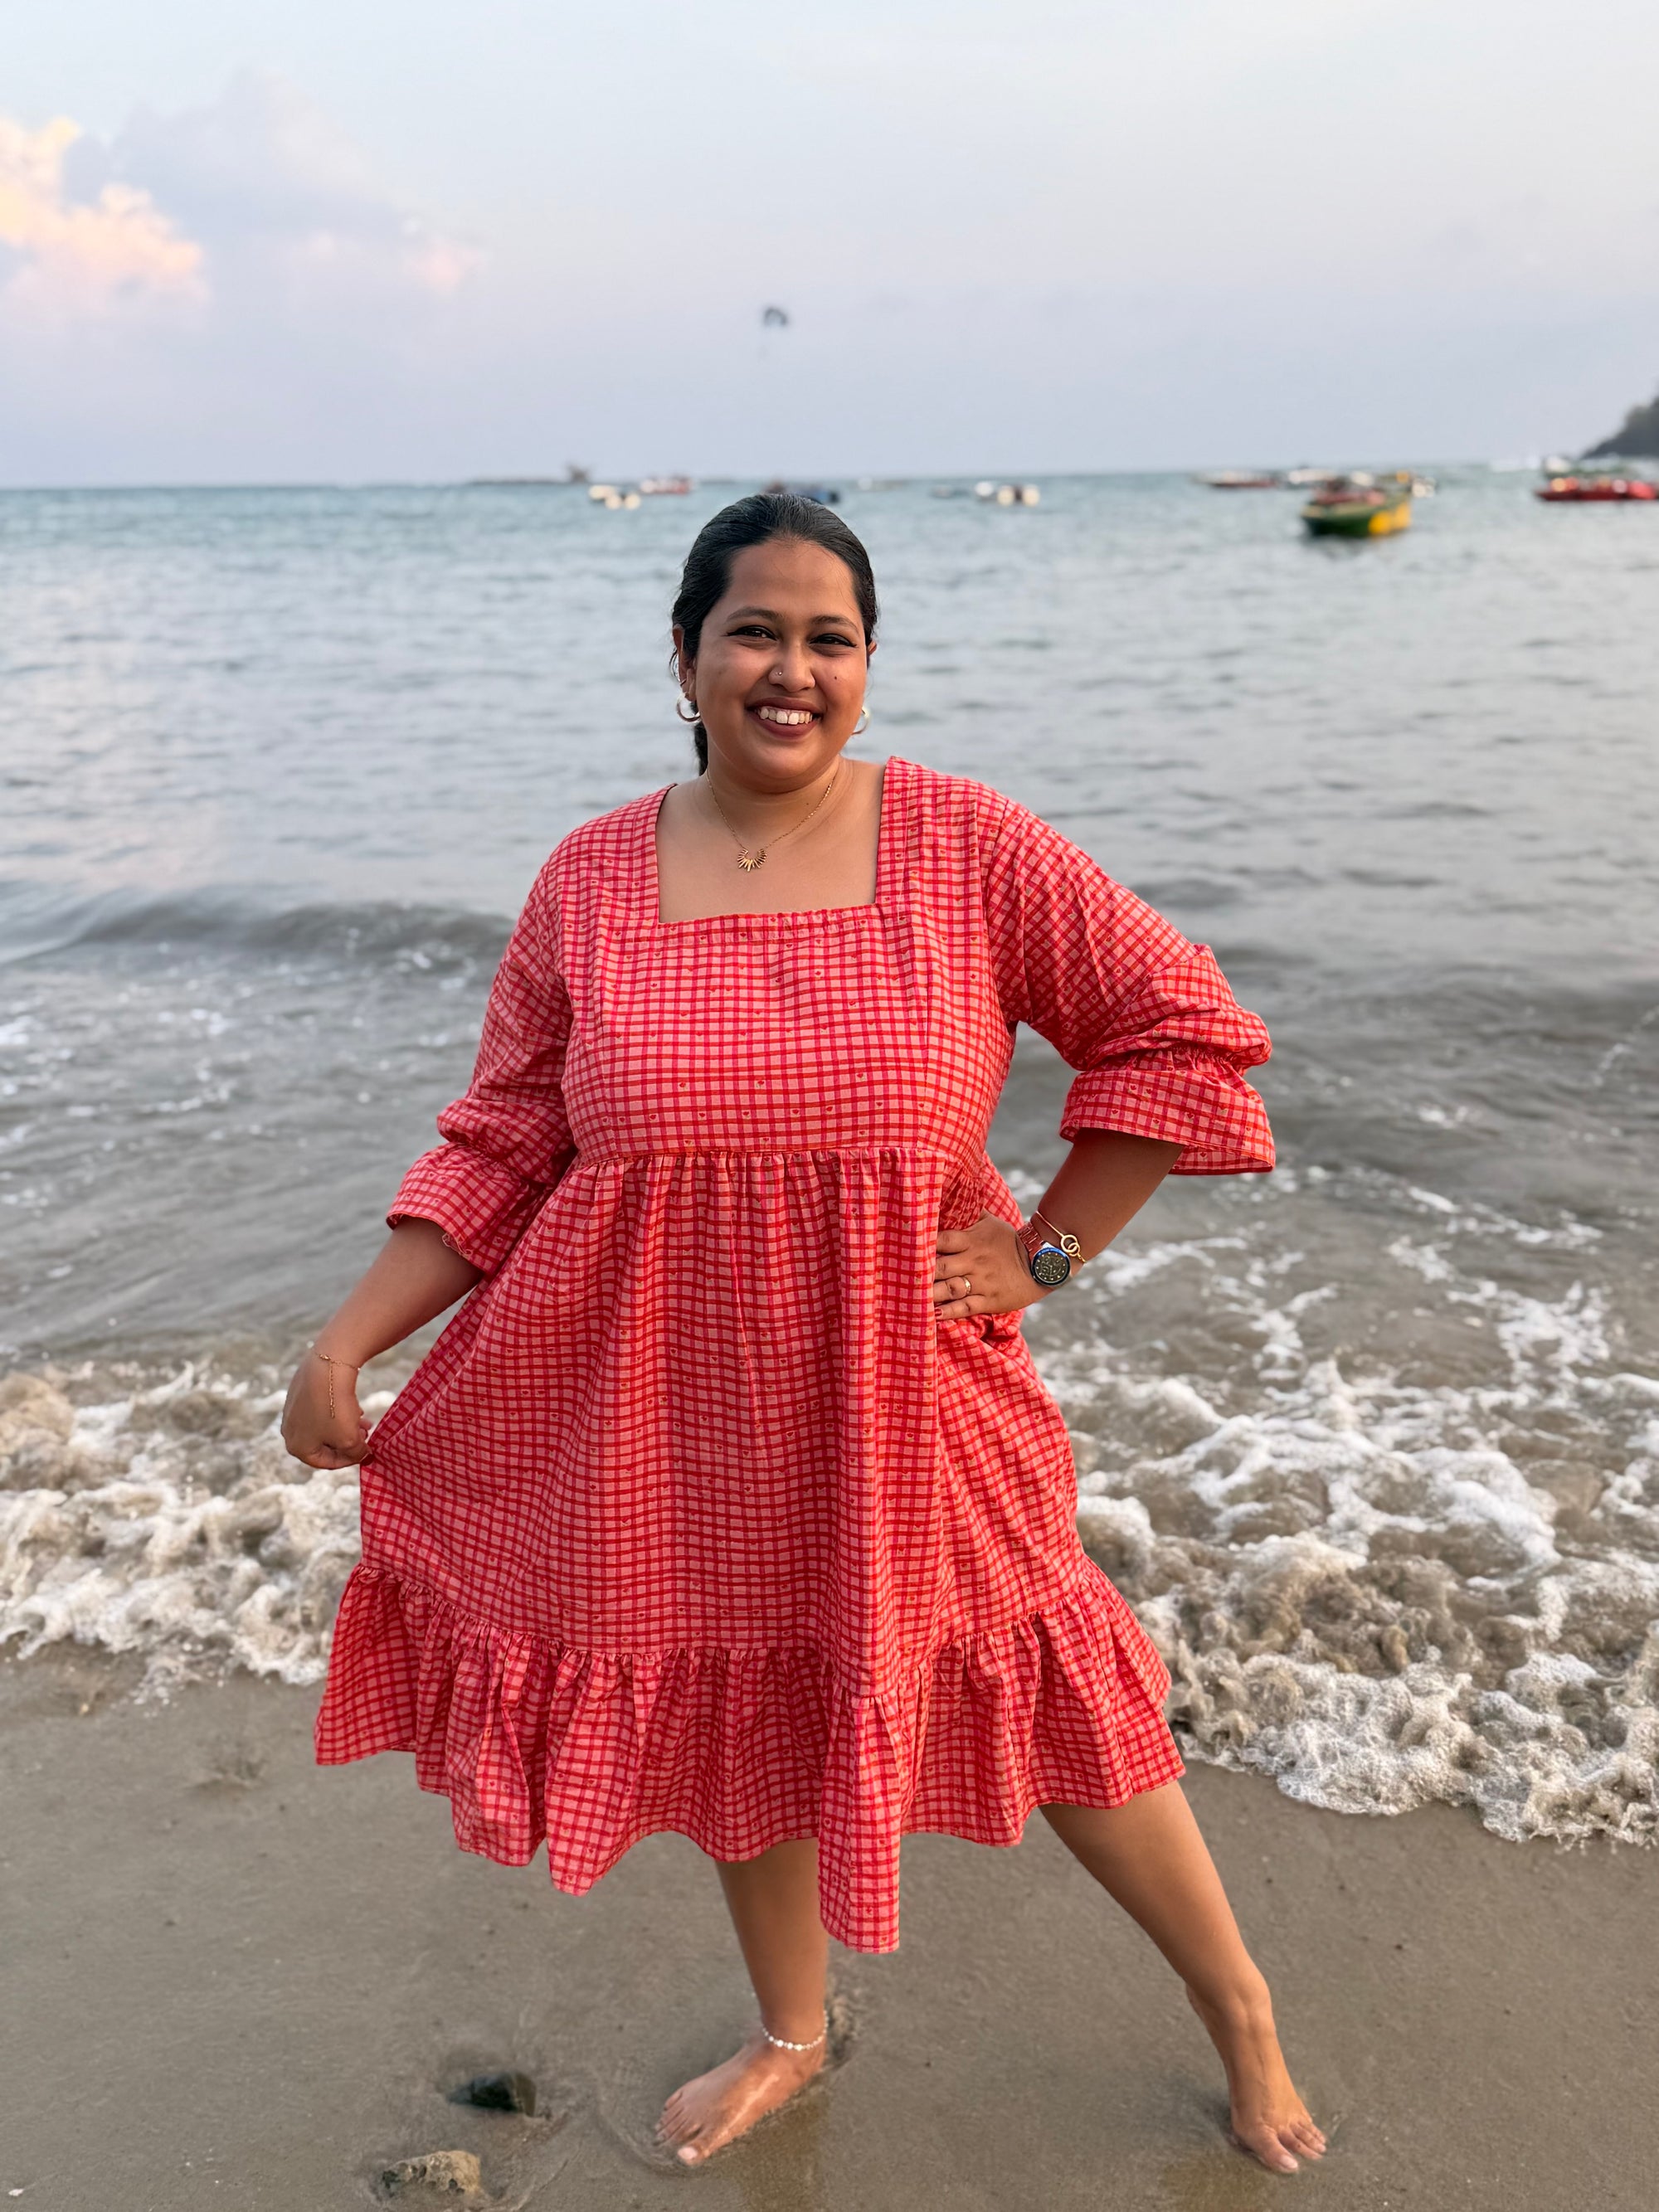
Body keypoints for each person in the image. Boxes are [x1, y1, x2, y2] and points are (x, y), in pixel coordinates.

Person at [284, 493, 1325, 2175]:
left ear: (868, 663)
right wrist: (347, 1343)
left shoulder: (965, 845)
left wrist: (1045, 1252)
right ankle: (788, 2028)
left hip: (912, 1389)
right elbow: (504, 1142)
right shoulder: (591, 876)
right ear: (684, 655)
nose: (791, 669)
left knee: (1054, 1673)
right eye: (753, 631)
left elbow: (1177, 1027)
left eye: (829, 638)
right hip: (662, 1391)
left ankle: (1241, 2007)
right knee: (744, 1697)